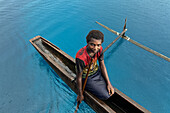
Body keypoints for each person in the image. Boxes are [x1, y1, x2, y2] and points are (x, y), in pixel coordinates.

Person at [75, 30, 114, 103]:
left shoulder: (100, 49)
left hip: (97, 72)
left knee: (111, 91)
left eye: (98, 45)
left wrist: (109, 83)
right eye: (92, 44)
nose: (95, 48)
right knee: (106, 95)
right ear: (87, 43)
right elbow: (79, 77)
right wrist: (80, 94)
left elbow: (102, 65)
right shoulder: (81, 57)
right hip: (87, 77)